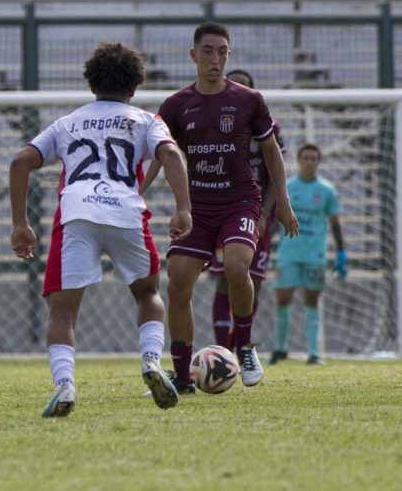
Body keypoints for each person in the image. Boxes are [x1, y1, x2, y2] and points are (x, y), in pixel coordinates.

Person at [9, 42, 192, 417]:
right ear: (135, 87)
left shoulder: (67, 123)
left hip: (76, 211)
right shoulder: (146, 120)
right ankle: (151, 362)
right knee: (146, 292)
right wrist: (183, 208)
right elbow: (171, 155)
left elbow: (20, 162)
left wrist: (20, 225)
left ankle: (64, 386)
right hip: (125, 210)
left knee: (62, 311)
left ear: (91, 85)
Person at [146, 22, 299, 394]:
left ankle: (245, 347)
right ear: (194, 55)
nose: (216, 59)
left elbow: (270, 152)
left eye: (223, 52)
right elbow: (158, 152)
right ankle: (182, 378)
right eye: (209, 51)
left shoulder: (248, 100)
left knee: (235, 266)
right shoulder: (176, 105)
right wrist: (137, 192)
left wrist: (283, 201)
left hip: (240, 202)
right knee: (179, 285)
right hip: (197, 206)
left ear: (228, 56)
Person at [206, 69, 286, 350]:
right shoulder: (214, 123)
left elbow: (277, 175)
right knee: (225, 279)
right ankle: (222, 352)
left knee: (255, 281)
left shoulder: (268, 127)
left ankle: (238, 347)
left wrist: (265, 213)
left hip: (257, 214)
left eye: (244, 87)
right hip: (221, 211)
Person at [270, 142, 347, 366]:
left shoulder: (327, 190)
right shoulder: (288, 187)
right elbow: (277, 219)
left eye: (314, 158)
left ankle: (313, 353)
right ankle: (281, 348)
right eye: (306, 158)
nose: (309, 162)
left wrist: (342, 252)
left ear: (318, 162)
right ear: (299, 160)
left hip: (315, 255)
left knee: (311, 301)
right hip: (288, 253)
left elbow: (334, 223)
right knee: (282, 299)